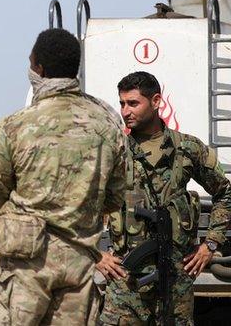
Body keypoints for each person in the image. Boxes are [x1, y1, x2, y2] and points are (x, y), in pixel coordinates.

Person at [0, 28, 126, 325]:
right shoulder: (107, 121)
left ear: (39, 69)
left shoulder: (15, 125)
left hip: (24, 264)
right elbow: (114, 197)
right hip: (79, 263)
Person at [98, 71, 231, 325]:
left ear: (157, 101)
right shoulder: (114, 151)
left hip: (175, 282)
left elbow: (225, 192)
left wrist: (211, 245)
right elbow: (78, 204)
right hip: (126, 285)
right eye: (122, 103)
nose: (125, 111)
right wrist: (97, 255)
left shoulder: (187, 149)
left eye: (133, 103)